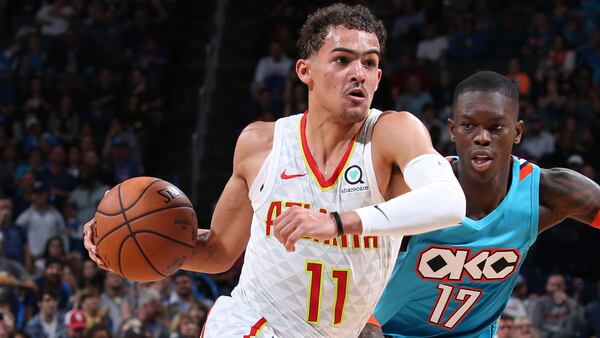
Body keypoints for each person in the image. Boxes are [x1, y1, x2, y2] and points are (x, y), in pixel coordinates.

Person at [84, 4, 466, 337]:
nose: (359, 73)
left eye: (370, 62)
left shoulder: (391, 133)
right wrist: (132, 245)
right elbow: (218, 251)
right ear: (306, 70)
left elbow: (449, 202)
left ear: (379, 77)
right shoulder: (260, 144)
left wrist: (336, 222)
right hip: (252, 323)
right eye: (342, 59)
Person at [360, 71, 600, 337]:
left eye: (496, 127)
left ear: (517, 132)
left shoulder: (548, 191)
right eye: (468, 126)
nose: (482, 137)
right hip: (388, 330)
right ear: (453, 130)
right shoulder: (415, 188)